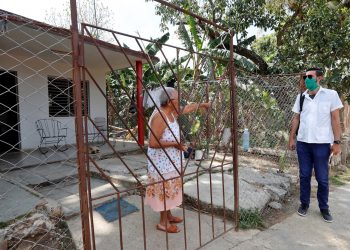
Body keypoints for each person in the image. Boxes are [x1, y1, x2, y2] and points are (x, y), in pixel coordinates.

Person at [145, 87, 210, 233]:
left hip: (170, 162)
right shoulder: (160, 116)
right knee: (164, 189)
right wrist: (175, 144)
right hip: (161, 163)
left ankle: (168, 216)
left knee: (169, 190)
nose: (180, 102)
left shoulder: (171, 111)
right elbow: (153, 143)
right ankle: (163, 223)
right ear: (169, 101)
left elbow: (187, 108)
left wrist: (202, 105)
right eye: (178, 99)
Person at [288, 67, 343, 223]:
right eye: (305, 77)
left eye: (310, 76)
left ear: (319, 78)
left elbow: (335, 119)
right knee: (304, 175)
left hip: (322, 144)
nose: (307, 79)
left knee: (322, 178)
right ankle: (304, 204)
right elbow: (296, 118)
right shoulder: (301, 97)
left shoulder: (331, 95)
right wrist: (291, 138)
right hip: (303, 143)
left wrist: (337, 142)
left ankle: (324, 207)